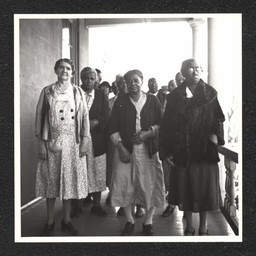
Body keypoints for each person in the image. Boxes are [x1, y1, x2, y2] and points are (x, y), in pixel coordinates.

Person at [159, 58, 225, 236]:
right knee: (184, 189)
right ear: (182, 73)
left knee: (203, 189)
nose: (195, 72)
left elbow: (219, 118)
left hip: (204, 150)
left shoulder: (210, 94)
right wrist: (165, 152)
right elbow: (165, 127)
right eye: (190, 69)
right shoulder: (173, 98)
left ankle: (203, 226)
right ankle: (189, 226)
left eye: (198, 68)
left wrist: (215, 134)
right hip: (182, 151)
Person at [35, 58, 90, 236]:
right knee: (50, 183)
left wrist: (84, 142)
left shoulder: (78, 92)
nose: (64, 71)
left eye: (68, 68)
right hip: (51, 143)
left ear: (72, 72)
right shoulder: (47, 91)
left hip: (73, 144)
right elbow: (39, 117)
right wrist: (41, 143)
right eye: (61, 68)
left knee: (69, 184)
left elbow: (85, 119)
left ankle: (66, 221)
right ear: (56, 70)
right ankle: (50, 222)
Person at [109, 69, 165, 236]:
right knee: (124, 185)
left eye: (136, 80)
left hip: (148, 151)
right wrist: (120, 148)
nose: (133, 83)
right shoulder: (120, 101)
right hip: (125, 151)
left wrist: (148, 133)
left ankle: (148, 222)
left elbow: (161, 123)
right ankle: (129, 221)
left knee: (149, 185)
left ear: (142, 81)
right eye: (129, 81)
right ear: (125, 84)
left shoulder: (153, 100)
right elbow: (113, 127)